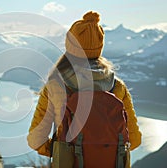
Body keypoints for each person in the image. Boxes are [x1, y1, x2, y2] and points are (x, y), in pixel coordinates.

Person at [27, 11, 142, 165]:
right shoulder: (117, 87)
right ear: (99, 47)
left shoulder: (56, 86)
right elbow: (134, 141)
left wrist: (61, 151)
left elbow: (35, 140)